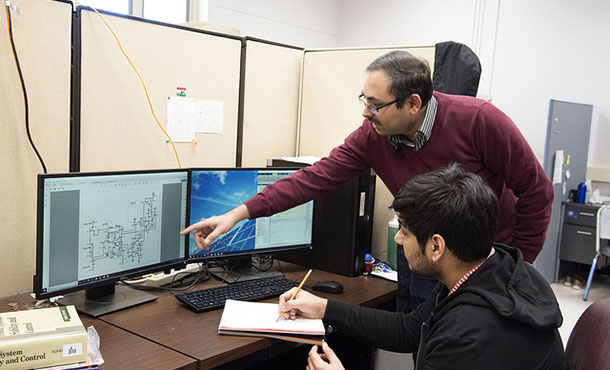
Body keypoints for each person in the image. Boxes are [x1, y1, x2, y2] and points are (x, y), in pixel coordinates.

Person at [181, 50, 553, 314]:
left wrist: (516, 263)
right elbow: (313, 179)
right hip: (419, 257)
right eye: (364, 99)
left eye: (375, 104)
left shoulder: (479, 121)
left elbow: (536, 189)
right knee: (420, 342)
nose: (365, 111)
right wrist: (239, 213)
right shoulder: (371, 135)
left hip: (481, 264)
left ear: (413, 103)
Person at [278, 164, 566, 370]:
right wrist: (323, 308)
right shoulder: (492, 267)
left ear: (437, 247)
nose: (398, 239)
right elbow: (408, 330)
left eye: (404, 230)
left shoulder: (466, 336)